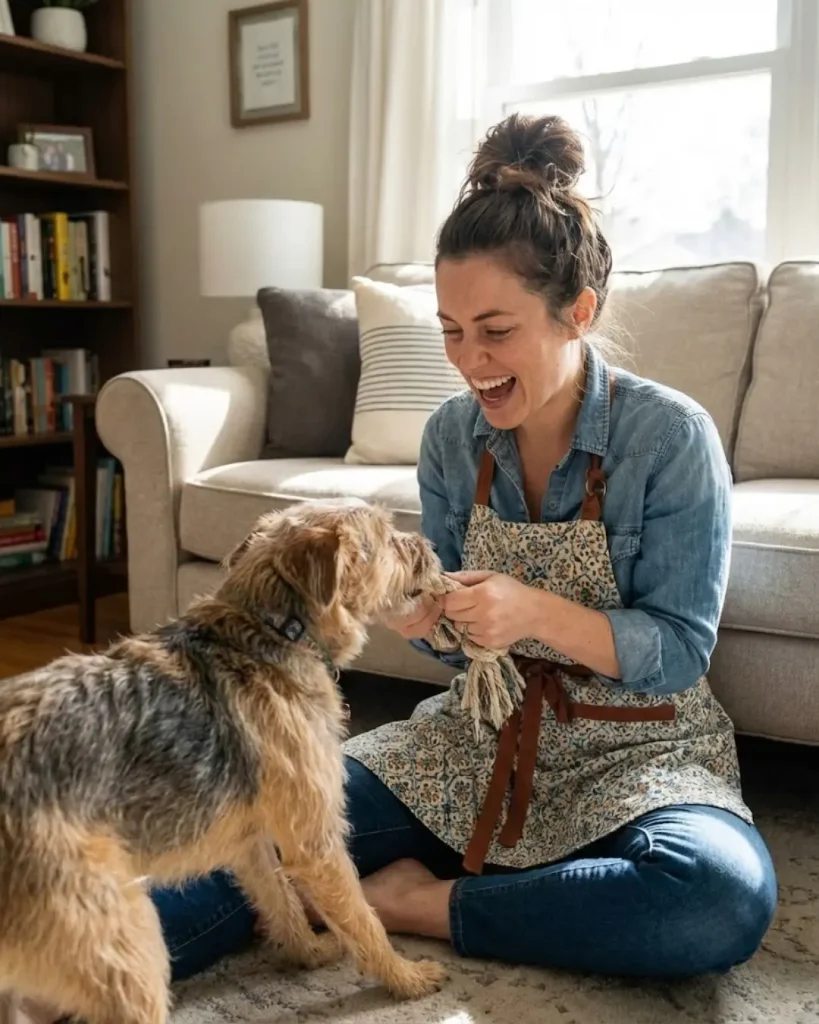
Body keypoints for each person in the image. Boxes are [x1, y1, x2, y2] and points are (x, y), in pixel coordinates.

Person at [49, 114, 780, 1013]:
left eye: (496, 330)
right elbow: (450, 653)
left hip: (639, 749)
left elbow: (677, 650)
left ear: (577, 312)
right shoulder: (450, 438)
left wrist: (534, 613)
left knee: (717, 899)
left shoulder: (668, 438)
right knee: (229, 855)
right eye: (449, 331)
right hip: (475, 741)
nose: (469, 363)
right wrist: (435, 628)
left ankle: (422, 901)